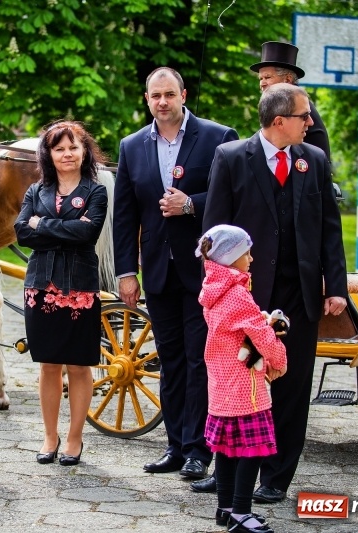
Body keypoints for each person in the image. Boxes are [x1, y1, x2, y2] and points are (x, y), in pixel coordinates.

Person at [193, 39, 337, 495]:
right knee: (238, 383)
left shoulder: (313, 159)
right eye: (303, 117)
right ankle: (229, 474)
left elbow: (329, 227)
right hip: (246, 296)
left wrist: (335, 286)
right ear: (279, 121)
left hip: (299, 293)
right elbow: (215, 232)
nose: (311, 123)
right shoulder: (232, 157)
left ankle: (275, 480)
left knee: (290, 387)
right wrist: (217, 291)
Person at [112, 67, 239, 481]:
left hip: (206, 271)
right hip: (157, 271)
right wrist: (126, 271)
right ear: (147, 99)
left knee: (199, 359)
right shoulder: (132, 146)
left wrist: (191, 204)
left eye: (169, 94)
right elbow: (125, 215)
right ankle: (175, 446)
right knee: (170, 360)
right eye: (155, 96)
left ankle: (199, 450)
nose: (162, 102)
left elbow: (233, 197)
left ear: (183, 95)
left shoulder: (218, 137)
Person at [14, 121, 108, 466]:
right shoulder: (35, 190)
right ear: (48, 154)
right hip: (41, 286)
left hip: (79, 286)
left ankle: (74, 438)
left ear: (84, 152)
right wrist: (66, 228)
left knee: (79, 365)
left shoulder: (96, 192)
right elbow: (22, 233)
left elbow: (88, 234)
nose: (67, 154)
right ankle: (49, 436)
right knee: (48, 364)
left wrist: (43, 224)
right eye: (59, 148)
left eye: (73, 147)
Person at [197, 225, 287, 533]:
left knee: (225, 449)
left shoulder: (214, 291)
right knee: (253, 450)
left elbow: (236, 330)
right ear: (230, 257)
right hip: (245, 387)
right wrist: (279, 361)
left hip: (221, 384)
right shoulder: (237, 295)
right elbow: (262, 337)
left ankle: (225, 508)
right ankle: (241, 512)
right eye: (246, 253)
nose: (251, 258)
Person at [251, 41, 331, 162]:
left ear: (287, 79)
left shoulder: (298, 105)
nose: (262, 83)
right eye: (260, 78)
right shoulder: (280, 104)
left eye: (267, 77)